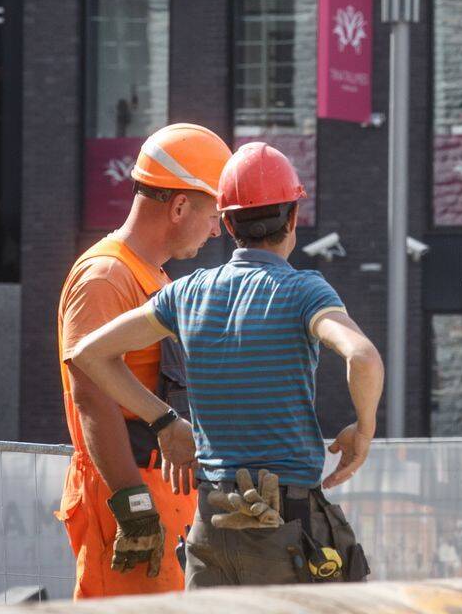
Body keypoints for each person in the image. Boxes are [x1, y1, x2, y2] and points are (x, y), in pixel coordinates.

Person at [70, 141, 384, 588]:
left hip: (211, 528)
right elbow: (363, 356)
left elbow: (88, 353)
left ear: (229, 222)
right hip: (287, 526)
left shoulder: (187, 293)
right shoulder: (304, 291)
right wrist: (363, 430)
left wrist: (163, 420)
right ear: (292, 218)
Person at [54, 122, 229, 598]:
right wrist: (132, 504)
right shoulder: (106, 277)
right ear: (179, 206)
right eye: (214, 214)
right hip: (128, 495)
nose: (217, 229)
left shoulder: (149, 276)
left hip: (160, 491)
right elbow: (90, 396)